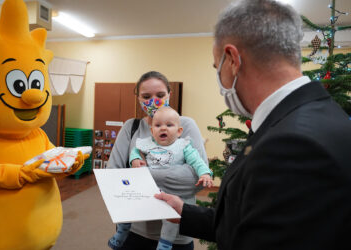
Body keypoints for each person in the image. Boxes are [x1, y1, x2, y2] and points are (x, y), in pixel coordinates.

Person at [155, 0, 351, 249]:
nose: (220, 80)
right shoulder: (306, 116)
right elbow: (253, 218)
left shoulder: (293, 146)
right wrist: (187, 212)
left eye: (218, 68)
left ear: (233, 59)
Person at [107, 71, 208, 250]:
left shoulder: (185, 126)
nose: (154, 101)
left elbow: (195, 181)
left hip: (176, 235)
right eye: (146, 96)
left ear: (170, 94)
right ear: (138, 98)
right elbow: (112, 176)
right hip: (134, 231)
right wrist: (170, 176)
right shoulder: (131, 128)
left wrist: (141, 175)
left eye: (160, 95)